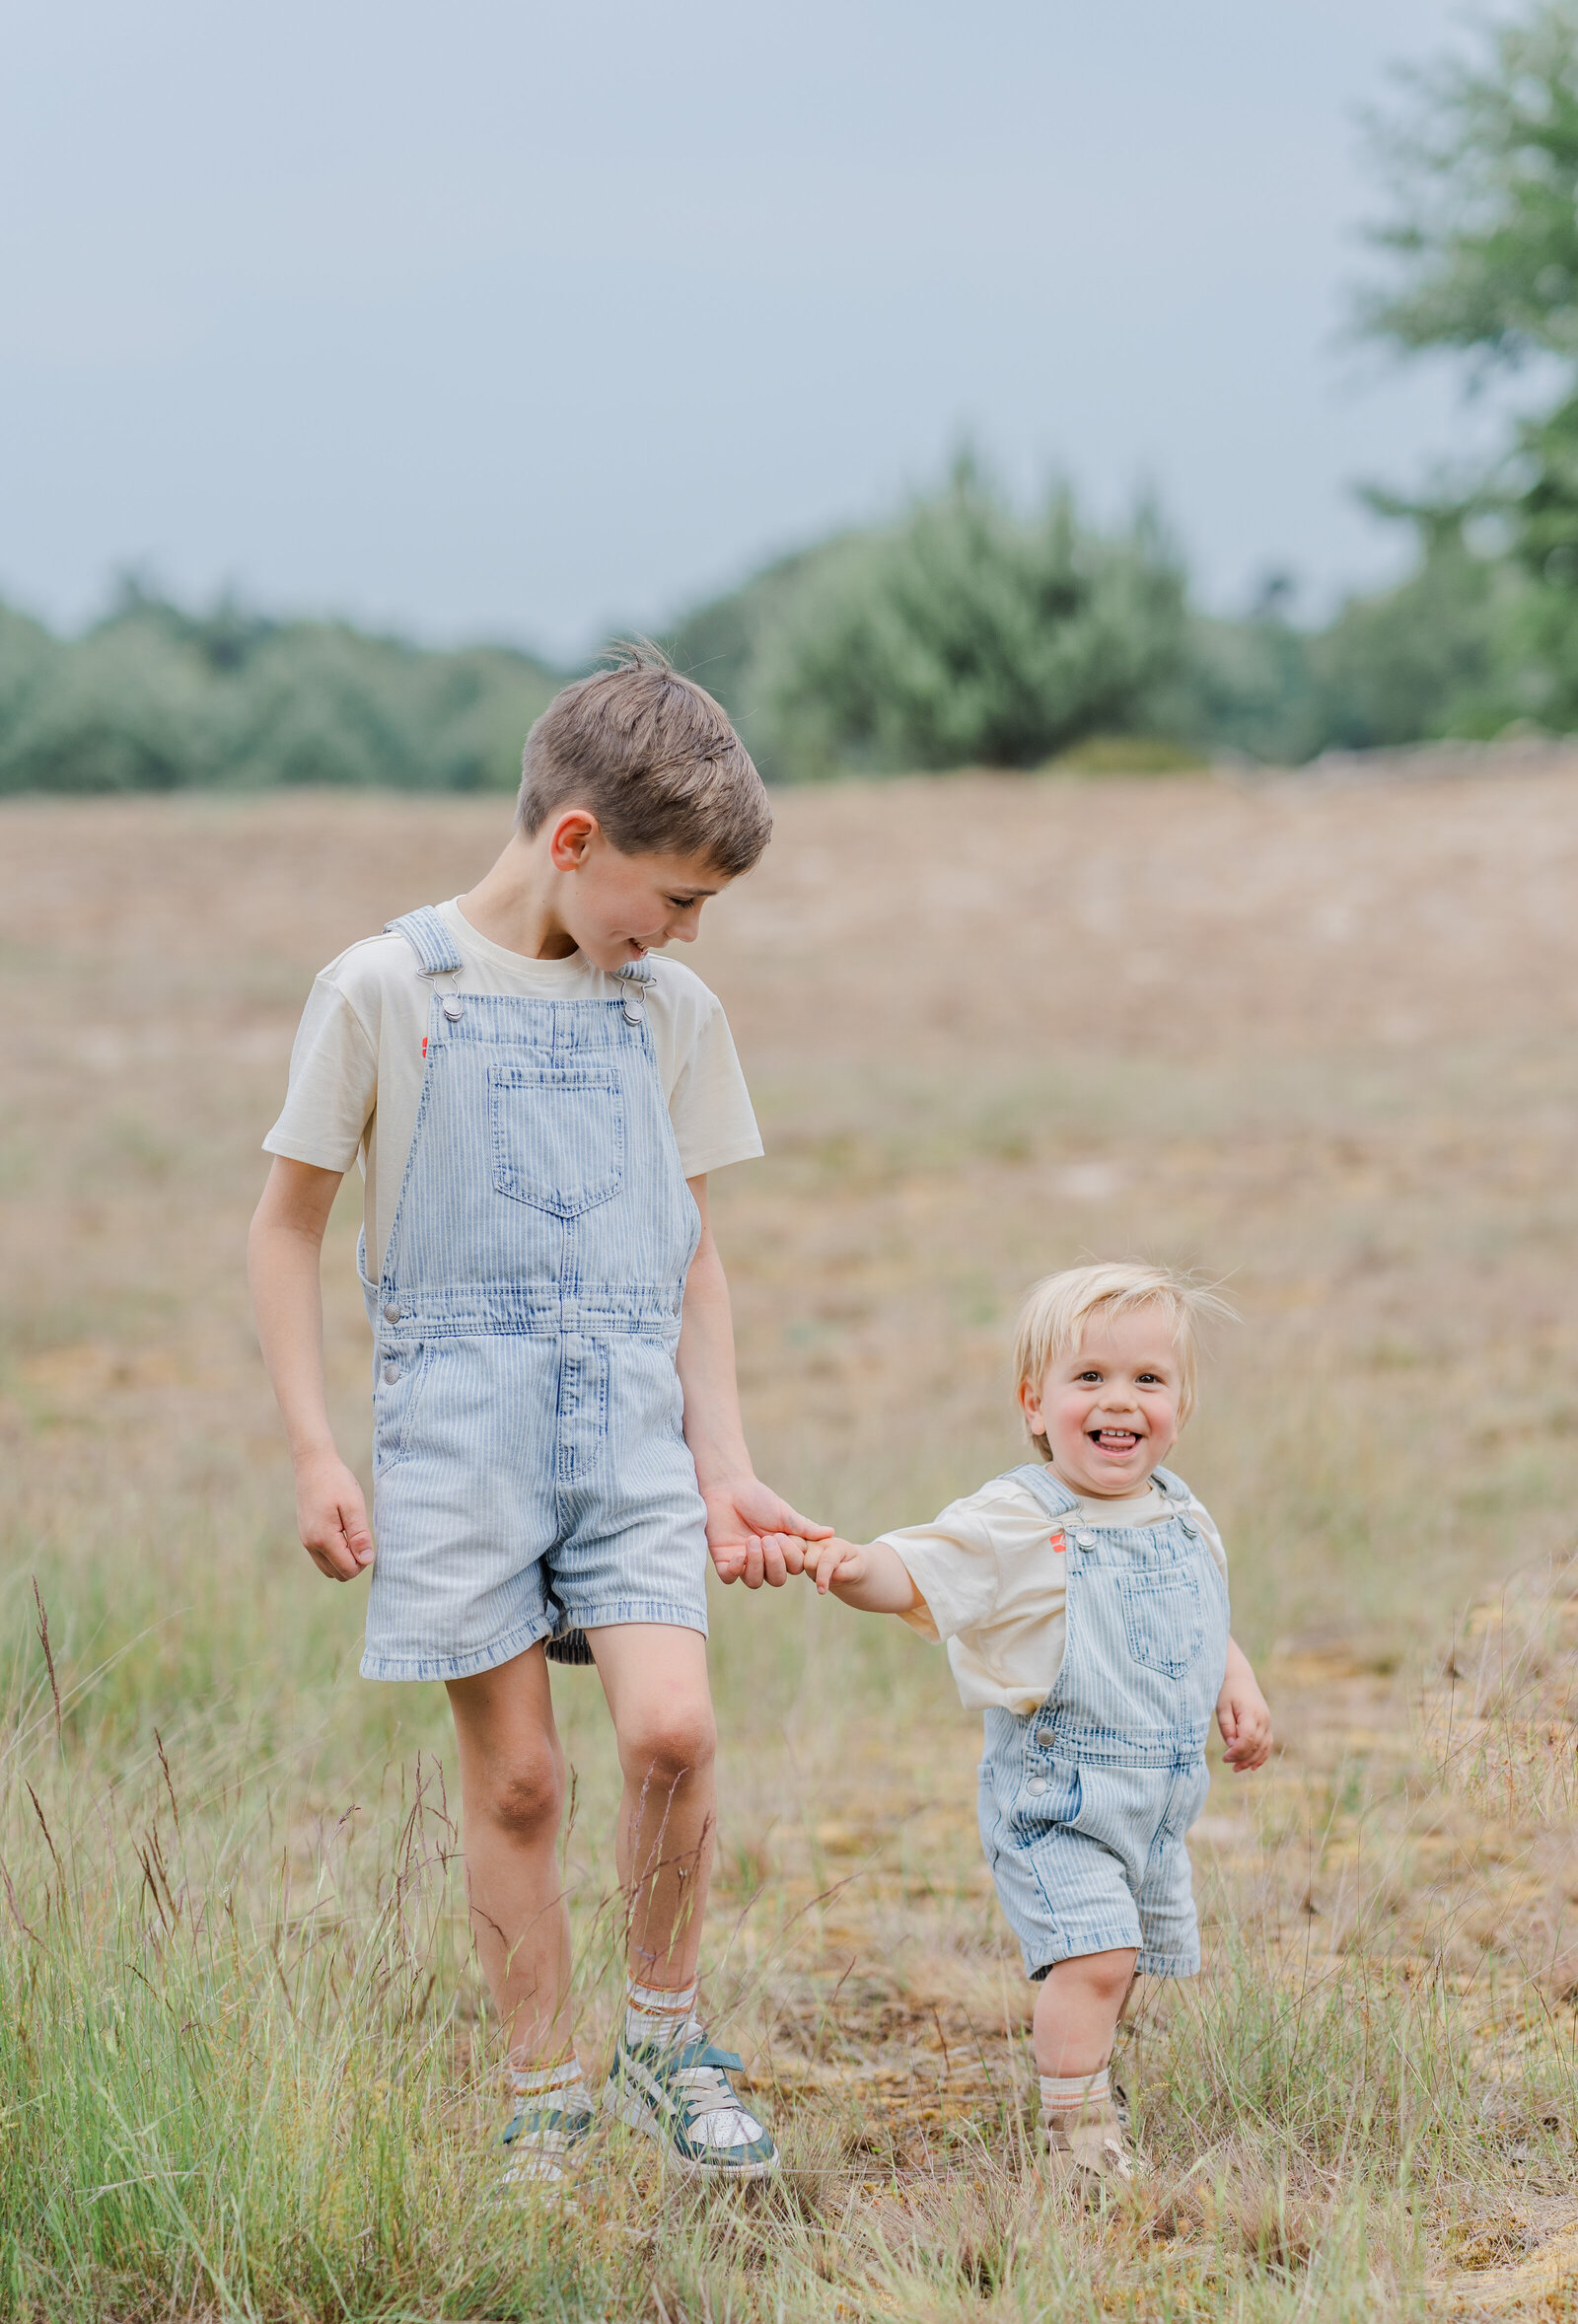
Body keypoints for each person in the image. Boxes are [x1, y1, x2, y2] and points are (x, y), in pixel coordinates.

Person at [248, 649, 827, 2185]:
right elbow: (284, 1228)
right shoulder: (385, 990)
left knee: (673, 1729)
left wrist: (728, 1465)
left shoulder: (671, 1012)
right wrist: (317, 1448)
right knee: (519, 1781)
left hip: (631, 1429)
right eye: (676, 897)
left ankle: (662, 2031)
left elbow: (694, 1249)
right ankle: (542, 2088)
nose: (687, 933)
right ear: (575, 842)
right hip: (456, 1439)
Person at [801, 1262, 1272, 2189]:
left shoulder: (1180, 1512)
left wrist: (1238, 1680)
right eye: (1088, 1378)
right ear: (1034, 1403)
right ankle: (1079, 2149)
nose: (1120, 1402)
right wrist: (848, 1564)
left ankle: (1085, 2081)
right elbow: (916, 1571)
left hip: (1156, 1803)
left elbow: (1200, 1616)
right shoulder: (1019, 1520)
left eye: (1148, 1379)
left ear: (1183, 1401)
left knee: (1119, 1962)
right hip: (1058, 1796)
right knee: (1096, 1956)